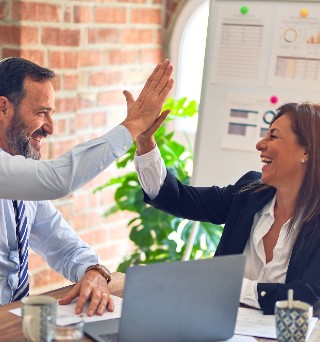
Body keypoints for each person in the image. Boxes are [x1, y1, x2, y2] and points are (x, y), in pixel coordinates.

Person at [0, 57, 173, 315]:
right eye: (40, 112)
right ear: (3, 108)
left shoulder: (22, 181)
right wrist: (133, 125)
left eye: (51, 113)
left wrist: (93, 271)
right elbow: (56, 179)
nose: (50, 127)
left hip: (12, 321)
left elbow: (64, 246)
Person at [134, 101, 320, 315]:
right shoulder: (249, 193)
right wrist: (144, 139)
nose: (260, 144)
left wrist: (229, 287)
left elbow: (308, 298)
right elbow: (177, 198)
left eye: (274, 136)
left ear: (306, 151)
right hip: (221, 330)